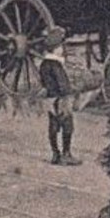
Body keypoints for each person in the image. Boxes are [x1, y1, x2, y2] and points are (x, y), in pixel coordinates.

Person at [39, 26, 80, 165]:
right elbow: (63, 85)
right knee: (68, 126)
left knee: (53, 126)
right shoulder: (56, 65)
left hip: (50, 99)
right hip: (61, 100)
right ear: (56, 48)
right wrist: (70, 93)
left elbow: (43, 82)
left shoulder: (44, 64)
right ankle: (66, 154)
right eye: (61, 47)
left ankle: (55, 154)